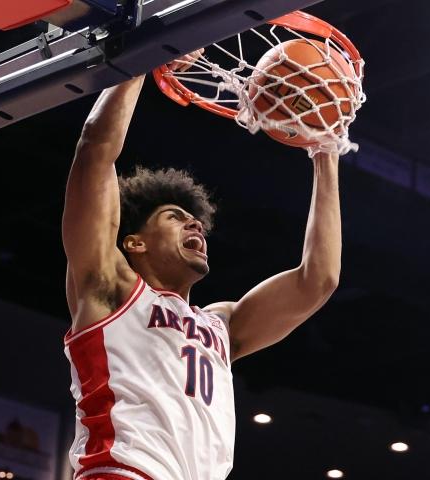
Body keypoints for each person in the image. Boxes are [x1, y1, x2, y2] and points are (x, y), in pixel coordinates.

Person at [62, 52, 342, 480]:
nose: (194, 223)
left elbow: (318, 280)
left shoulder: (220, 324)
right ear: (134, 243)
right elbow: (95, 150)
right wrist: (144, 56)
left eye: (195, 220)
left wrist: (325, 152)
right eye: (174, 217)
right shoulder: (109, 286)